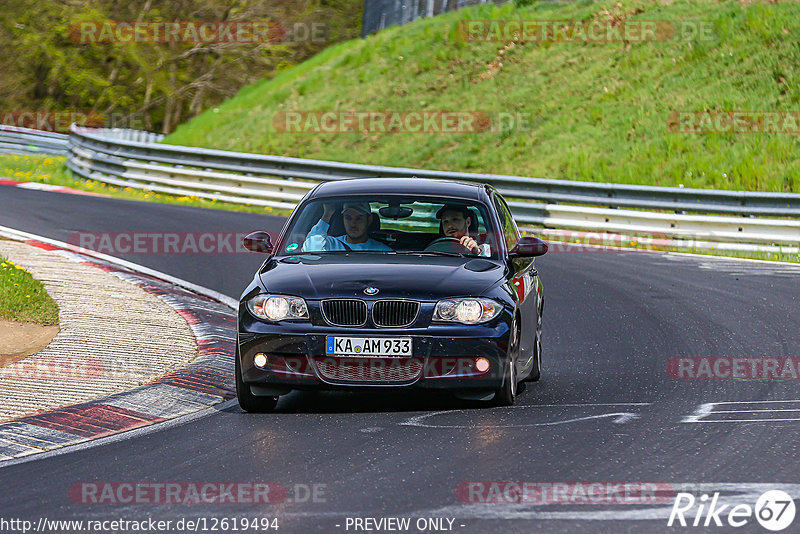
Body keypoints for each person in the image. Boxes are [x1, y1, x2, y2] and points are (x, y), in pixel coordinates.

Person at [302, 201, 392, 252]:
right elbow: (309, 252)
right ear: (343, 219)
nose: (353, 224)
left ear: (369, 220)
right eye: (348, 218)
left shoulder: (382, 251)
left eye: (359, 218)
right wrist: (327, 213)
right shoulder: (329, 244)